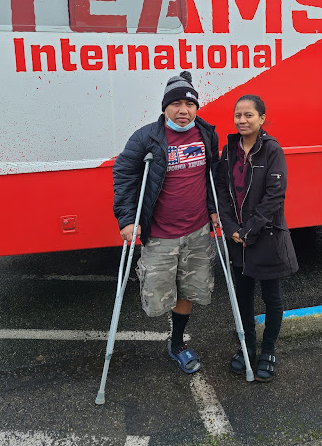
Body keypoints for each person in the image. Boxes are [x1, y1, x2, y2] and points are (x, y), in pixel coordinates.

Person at [113, 71, 219, 374]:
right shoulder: (146, 137)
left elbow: (214, 176)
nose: (183, 110)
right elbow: (124, 176)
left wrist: (215, 209)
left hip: (198, 231)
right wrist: (127, 219)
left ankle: (177, 343)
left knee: (189, 290)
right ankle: (171, 335)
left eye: (189, 103)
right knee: (159, 298)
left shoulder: (206, 134)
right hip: (160, 235)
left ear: (197, 107)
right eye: (176, 103)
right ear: (164, 107)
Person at [216, 94, 298, 382]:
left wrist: (248, 230)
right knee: (243, 297)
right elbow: (222, 193)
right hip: (237, 238)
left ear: (262, 118)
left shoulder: (272, 150)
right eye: (238, 115)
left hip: (266, 236)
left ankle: (268, 351)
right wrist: (231, 228)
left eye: (249, 115)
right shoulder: (228, 150)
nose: (242, 120)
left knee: (272, 297)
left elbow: (275, 196)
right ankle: (248, 348)